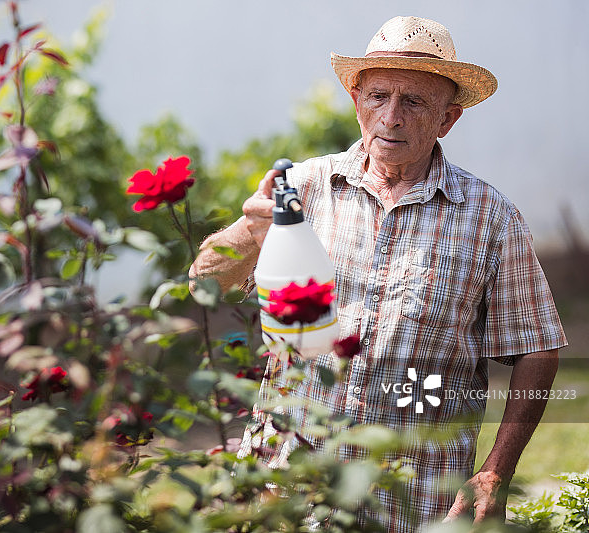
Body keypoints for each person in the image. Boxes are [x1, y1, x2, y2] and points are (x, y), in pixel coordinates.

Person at [189, 15, 567, 532]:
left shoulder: (490, 218)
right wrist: (247, 237)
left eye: (413, 102)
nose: (391, 117)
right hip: (287, 489)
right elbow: (204, 282)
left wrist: (495, 473)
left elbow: (537, 349)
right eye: (378, 96)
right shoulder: (304, 188)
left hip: (413, 499)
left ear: (447, 119)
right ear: (356, 101)